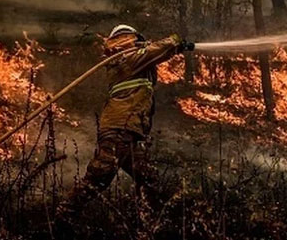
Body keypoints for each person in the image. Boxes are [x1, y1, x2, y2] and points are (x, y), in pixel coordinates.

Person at [54, 24, 194, 233]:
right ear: (130, 39)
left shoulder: (124, 60)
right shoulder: (128, 58)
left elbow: (150, 65)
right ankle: (62, 218)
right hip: (120, 130)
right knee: (99, 177)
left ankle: (149, 225)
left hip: (127, 132)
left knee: (148, 179)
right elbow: (157, 50)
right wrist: (176, 42)